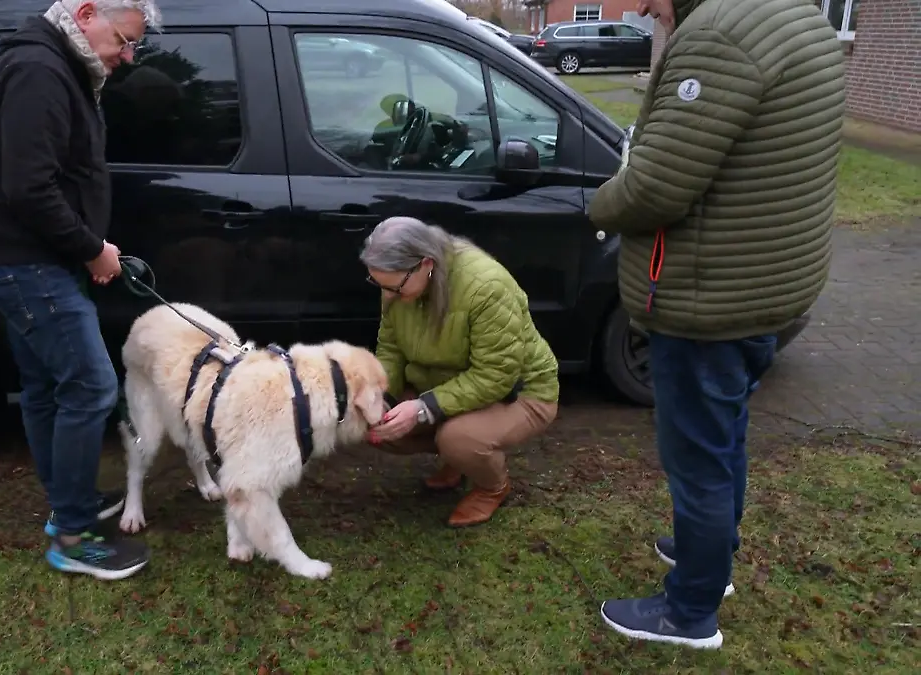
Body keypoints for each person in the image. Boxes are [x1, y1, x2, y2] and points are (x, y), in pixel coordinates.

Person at [588, 0, 845, 649]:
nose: (641, 7)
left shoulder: (720, 37)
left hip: (710, 300)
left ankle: (691, 609)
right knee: (724, 431)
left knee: (697, 457)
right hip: (766, 286)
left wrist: (596, 203)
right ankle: (712, 552)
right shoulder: (798, 16)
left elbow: (656, 186)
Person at [0, 0, 163, 581]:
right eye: (125, 40)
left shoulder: (57, 63)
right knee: (91, 388)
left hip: (29, 258)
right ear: (87, 11)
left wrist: (84, 246)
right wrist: (91, 248)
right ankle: (73, 538)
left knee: (47, 387)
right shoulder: (39, 72)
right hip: (27, 265)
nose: (127, 56)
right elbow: (30, 189)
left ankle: (65, 507)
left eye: (133, 46)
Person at [359, 217, 560, 528]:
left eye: (394, 287)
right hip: (450, 387)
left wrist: (423, 409)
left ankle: (491, 486)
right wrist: (381, 397)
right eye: (379, 286)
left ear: (426, 264)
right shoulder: (400, 284)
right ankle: (458, 458)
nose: (387, 296)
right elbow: (391, 349)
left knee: (458, 438)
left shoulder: (486, 287)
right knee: (371, 421)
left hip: (520, 392)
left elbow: (495, 375)